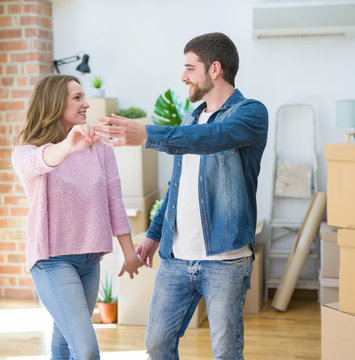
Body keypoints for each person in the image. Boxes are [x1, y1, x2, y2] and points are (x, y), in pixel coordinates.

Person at [94, 32, 268, 359]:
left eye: (190, 67)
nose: (183, 76)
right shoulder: (191, 118)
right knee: (157, 346)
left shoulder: (251, 114)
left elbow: (212, 138)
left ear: (215, 69)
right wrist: (154, 235)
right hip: (176, 260)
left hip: (225, 260)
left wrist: (147, 134)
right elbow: (178, 185)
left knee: (226, 353)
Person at [12, 74, 143, 360]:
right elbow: (42, 161)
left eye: (84, 97)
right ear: (55, 104)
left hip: (89, 260)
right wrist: (70, 145)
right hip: (51, 261)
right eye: (77, 98)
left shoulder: (98, 148)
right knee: (85, 349)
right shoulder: (26, 153)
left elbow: (113, 200)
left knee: (64, 343)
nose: (86, 104)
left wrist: (129, 252)